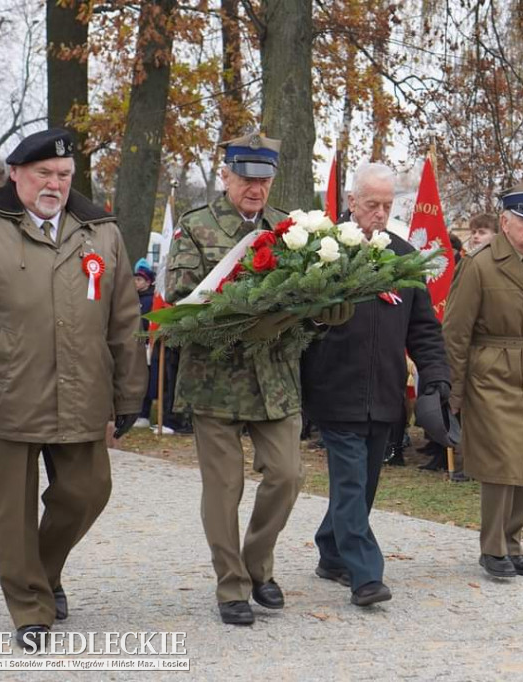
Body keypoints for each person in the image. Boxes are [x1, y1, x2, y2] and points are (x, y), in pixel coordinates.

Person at [0, 128, 147, 650]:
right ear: (15, 174)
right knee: (14, 511)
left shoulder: (101, 231)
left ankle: (40, 573)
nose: (54, 184)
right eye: (43, 173)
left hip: (84, 389)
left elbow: (123, 319)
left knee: (88, 491)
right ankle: (30, 609)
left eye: (63, 176)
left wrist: (130, 391)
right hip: (6, 389)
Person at [166, 132, 318, 625]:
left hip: (274, 377)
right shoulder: (197, 226)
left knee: (288, 474)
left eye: (264, 180)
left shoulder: (289, 229)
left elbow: (310, 293)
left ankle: (257, 564)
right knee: (224, 486)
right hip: (215, 377)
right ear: (226, 175)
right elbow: (179, 291)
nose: (256, 189)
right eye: (247, 179)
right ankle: (232, 586)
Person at [301, 163, 450, 606]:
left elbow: (424, 328)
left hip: (384, 393)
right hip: (335, 388)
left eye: (388, 205)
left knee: (363, 485)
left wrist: (436, 377)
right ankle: (365, 574)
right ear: (352, 202)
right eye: (372, 205)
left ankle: (331, 550)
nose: (381, 214)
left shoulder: (403, 257)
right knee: (349, 481)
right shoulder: (322, 252)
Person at [442, 181, 523, 578]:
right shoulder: (479, 264)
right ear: (505, 221)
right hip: (492, 374)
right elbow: (456, 332)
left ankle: (514, 543)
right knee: (502, 461)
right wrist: (455, 391)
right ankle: (493, 547)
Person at [133, 259, 164, 430]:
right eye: (135, 279)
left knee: (146, 381)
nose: (136, 282)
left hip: (146, 345)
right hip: (133, 344)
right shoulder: (131, 298)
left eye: (139, 279)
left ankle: (144, 414)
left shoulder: (152, 300)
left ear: (148, 281)